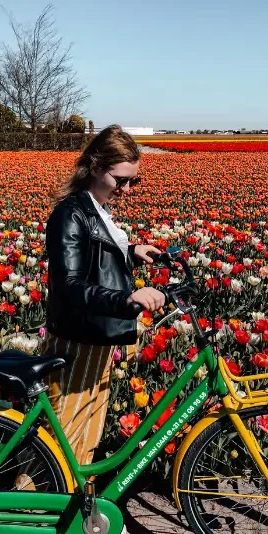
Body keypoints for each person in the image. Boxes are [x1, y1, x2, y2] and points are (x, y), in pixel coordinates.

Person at [40, 124, 163, 466]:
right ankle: (34, 511)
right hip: (77, 341)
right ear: (94, 167)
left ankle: (80, 510)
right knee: (62, 438)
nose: (126, 189)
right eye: (120, 180)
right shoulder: (71, 214)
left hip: (95, 337)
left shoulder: (98, 209)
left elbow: (95, 253)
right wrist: (127, 300)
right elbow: (70, 285)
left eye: (133, 181)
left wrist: (131, 250)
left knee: (85, 434)